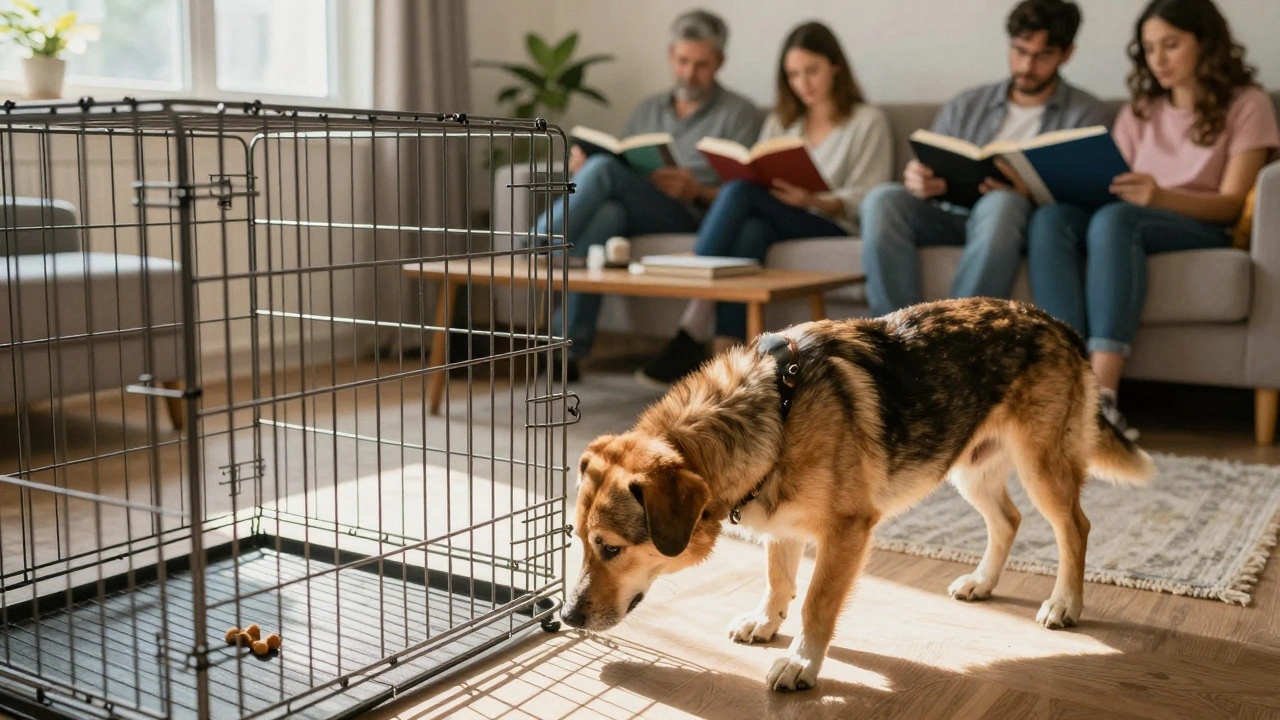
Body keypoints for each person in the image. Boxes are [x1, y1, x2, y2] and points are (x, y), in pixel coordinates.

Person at [1025, 0, 1280, 438]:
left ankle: (1102, 398)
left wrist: (1159, 196)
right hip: (1126, 216)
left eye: (1171, 45)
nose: (1157, 59)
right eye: (1148, 48)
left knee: (1117, 220)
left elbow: (1234, 203)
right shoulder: (1141, 110)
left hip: (1200, 225)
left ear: (1206, 44)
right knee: (1052, 219)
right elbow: (1112, 183)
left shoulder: (1247, 104)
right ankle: (1064, 378)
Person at [638, 21, 893, 385]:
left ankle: (692, 323)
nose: (803, 84)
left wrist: (815, 199)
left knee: (739, 191)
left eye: (812, 71)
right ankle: (724, 362)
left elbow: (872, 193)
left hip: (830, 222)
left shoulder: (867, 121)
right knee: (751, 231)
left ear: (836, 66)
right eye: (793, 74)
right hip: (779, 216)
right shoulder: (781, 121)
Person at [533, 9, 763, 382]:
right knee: (607, 213)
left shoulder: (741, 115)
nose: (689, 73)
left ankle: (539, 240)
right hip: (639, 206)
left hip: (695, 216)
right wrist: (587, 170)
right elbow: (625, 158)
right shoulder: (648, 109)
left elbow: (750, 190)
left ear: (720, 61)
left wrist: (698, 191)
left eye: (701, 64)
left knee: (604, 173)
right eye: (683, 61)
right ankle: (567, 351)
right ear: (671, 55)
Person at [859, 0, 1110, 318]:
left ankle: (955, 332)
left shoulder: (1087, 114)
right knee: (881, 199)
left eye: (1042, 55)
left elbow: (1088, 198)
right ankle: (894, 337)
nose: (1026, 66)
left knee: (1002, 203)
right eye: (1019, 51)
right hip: (949, 212)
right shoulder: (967, 104)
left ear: (1066, 54)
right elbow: (930, 161)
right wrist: (918, 180)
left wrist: (1031, 194)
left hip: (1011, 224)